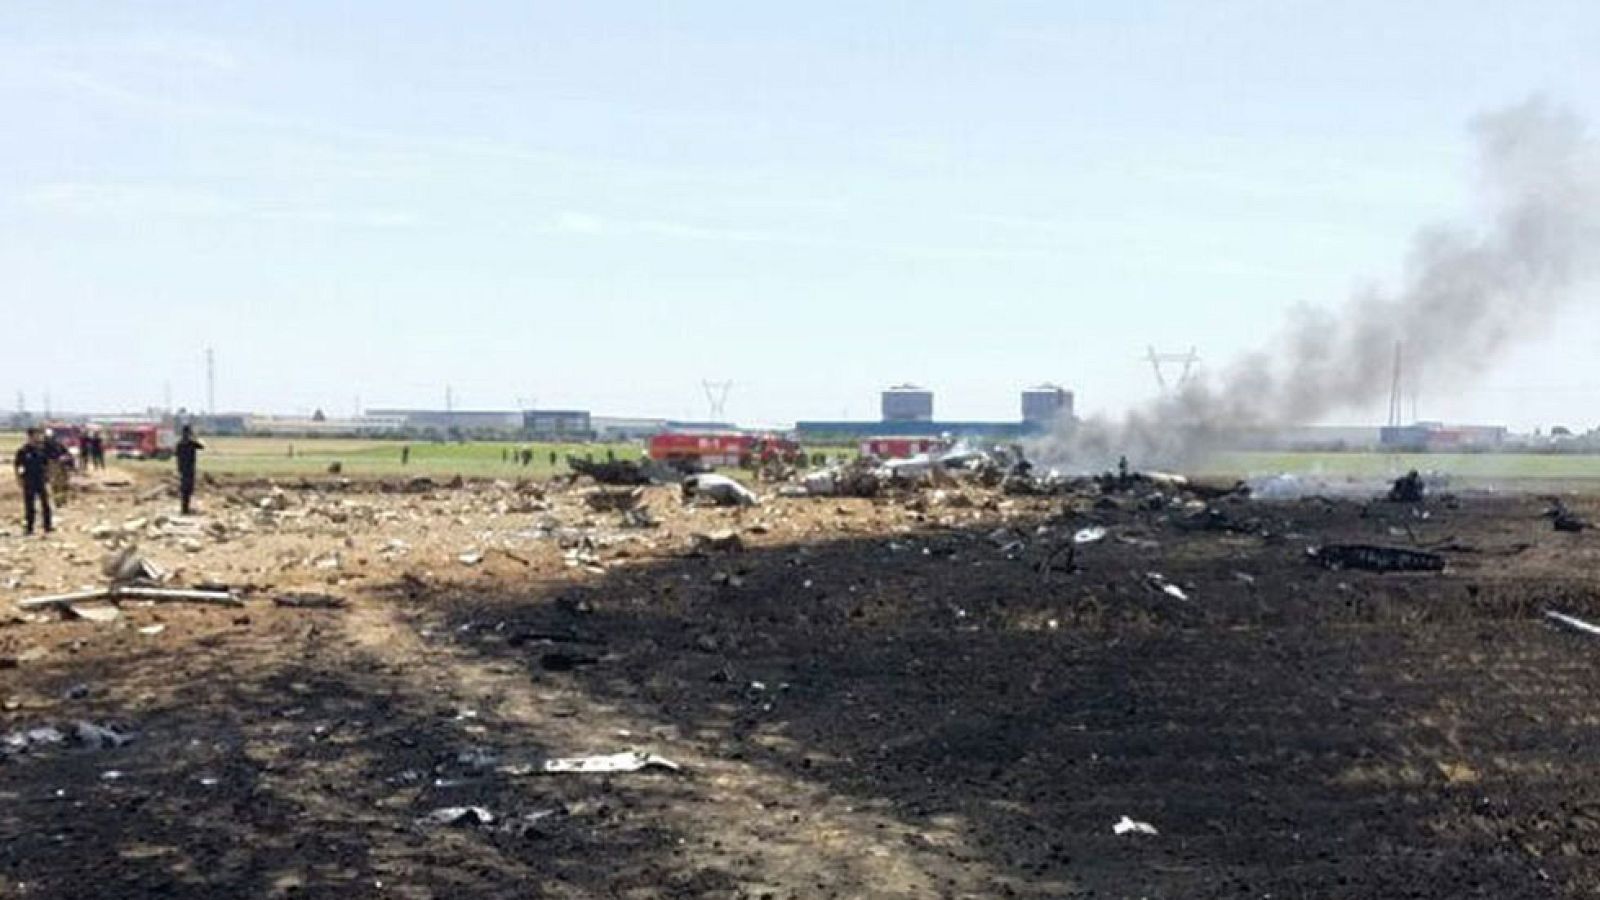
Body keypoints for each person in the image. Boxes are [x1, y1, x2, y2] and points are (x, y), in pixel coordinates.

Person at [13, 428, 53, 535]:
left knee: (45, 503)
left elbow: (46, 463)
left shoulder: (40, 450)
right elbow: (17, 466)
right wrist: (18, 479)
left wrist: (48, 475)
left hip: (40, 480)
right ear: (29, 437)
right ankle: (29, 528)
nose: (37, 437)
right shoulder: (23, 451)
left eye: (38, 435)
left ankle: (47, 526)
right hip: (28, 480)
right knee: (29, 505)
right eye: (35, 435)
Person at [176, 425, 205, 514]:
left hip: (183, 469)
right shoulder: (192, 443)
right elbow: (202, 446)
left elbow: (177, 456)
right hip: (190, 469)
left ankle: (184, 508)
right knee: (188, 489)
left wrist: (179, 468)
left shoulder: (179, 444)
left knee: (184, 490)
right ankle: (185, 509)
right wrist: (195, 437)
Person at [43, 429, 70, 508]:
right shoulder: (44, 446)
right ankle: (58, 502)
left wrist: (65, 458)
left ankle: (62, 500)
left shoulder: (59, 445)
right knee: (55, 485)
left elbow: (67, 453)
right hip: (52, 465)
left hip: (61, 465)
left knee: (63, 484)